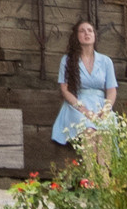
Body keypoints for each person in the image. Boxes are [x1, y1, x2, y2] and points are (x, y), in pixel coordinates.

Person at [49, 17, 116, 155]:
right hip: (77, 106)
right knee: (89, 131)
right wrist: (84, 110)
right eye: (82, 31)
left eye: (90, 30)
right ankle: (91, 175)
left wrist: (106, 110)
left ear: (95, 35)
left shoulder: (106, 61)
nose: (87, 33)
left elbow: (111, 90)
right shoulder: (67, 60)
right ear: (76, 36)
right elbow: (65, 89)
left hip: (100, 106)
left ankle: (104, 175)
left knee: (104, 133)